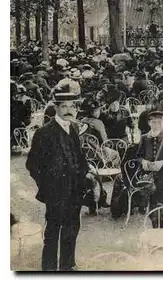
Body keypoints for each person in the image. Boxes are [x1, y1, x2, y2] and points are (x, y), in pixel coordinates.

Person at [25, 85, 88, 271]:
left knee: (71, 229)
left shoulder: (73, 128)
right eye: (64, 107)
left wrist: (86, 174)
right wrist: (48, 186)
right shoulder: (44, 132)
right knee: (53, 232)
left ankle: (68, 266)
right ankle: (49, 269)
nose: (69, 110)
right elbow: (32, 165)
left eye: (72, 106)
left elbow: (79, 157)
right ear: (56, 108)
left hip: (74, 190)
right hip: (55, 193)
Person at [136, 110, 163, 210]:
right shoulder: (144, 138)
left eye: (159, 122)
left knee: (161, 207)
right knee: (151, 208)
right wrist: (143, 162)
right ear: (149, 123)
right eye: (153, 122)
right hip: (148, 179)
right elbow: (138, 156)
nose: (156, 125)